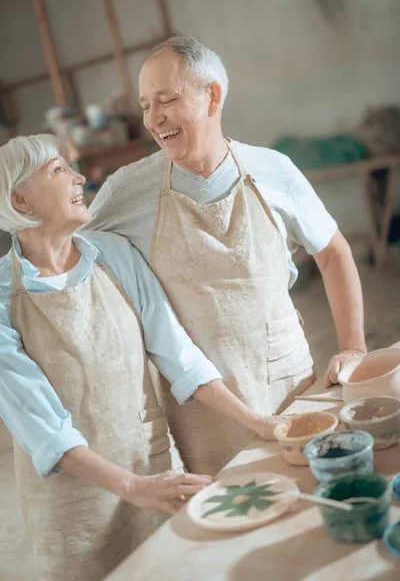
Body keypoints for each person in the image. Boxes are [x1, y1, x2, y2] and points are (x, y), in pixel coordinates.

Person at [0, 134, 285, 581]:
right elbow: (43, 429)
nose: (79, 178)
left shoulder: (113, 255)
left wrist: (258, 423)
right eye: (58, 171)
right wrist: (133, 488)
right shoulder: (2, 296)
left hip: (148, 467)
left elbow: (180, 358)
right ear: (21, 199)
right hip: (73, 500)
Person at [85, 35, 367, 475]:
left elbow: (333, 252)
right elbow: (74, 266)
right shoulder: (126, 191)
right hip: (203, 409)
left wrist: (353, 346)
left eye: (167, 99)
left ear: (211, 96)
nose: (154, 119)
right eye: (145, 106)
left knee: (309, 494)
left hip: (289, 381)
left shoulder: (274, 170)